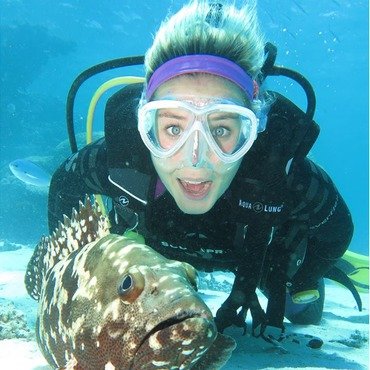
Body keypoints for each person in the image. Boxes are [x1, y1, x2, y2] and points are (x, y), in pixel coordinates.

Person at [48, 0, 358, 343]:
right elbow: (65, 183)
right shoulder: (120, 161)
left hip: (258, 260)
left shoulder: (282, 175)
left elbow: (337, 230)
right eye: (174, 129)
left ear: (253, 130)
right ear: (145, 125)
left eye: (222, 129)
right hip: (151, 264)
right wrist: (77, 274)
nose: (196, 160)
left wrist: (302, 277)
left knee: (304, 312)